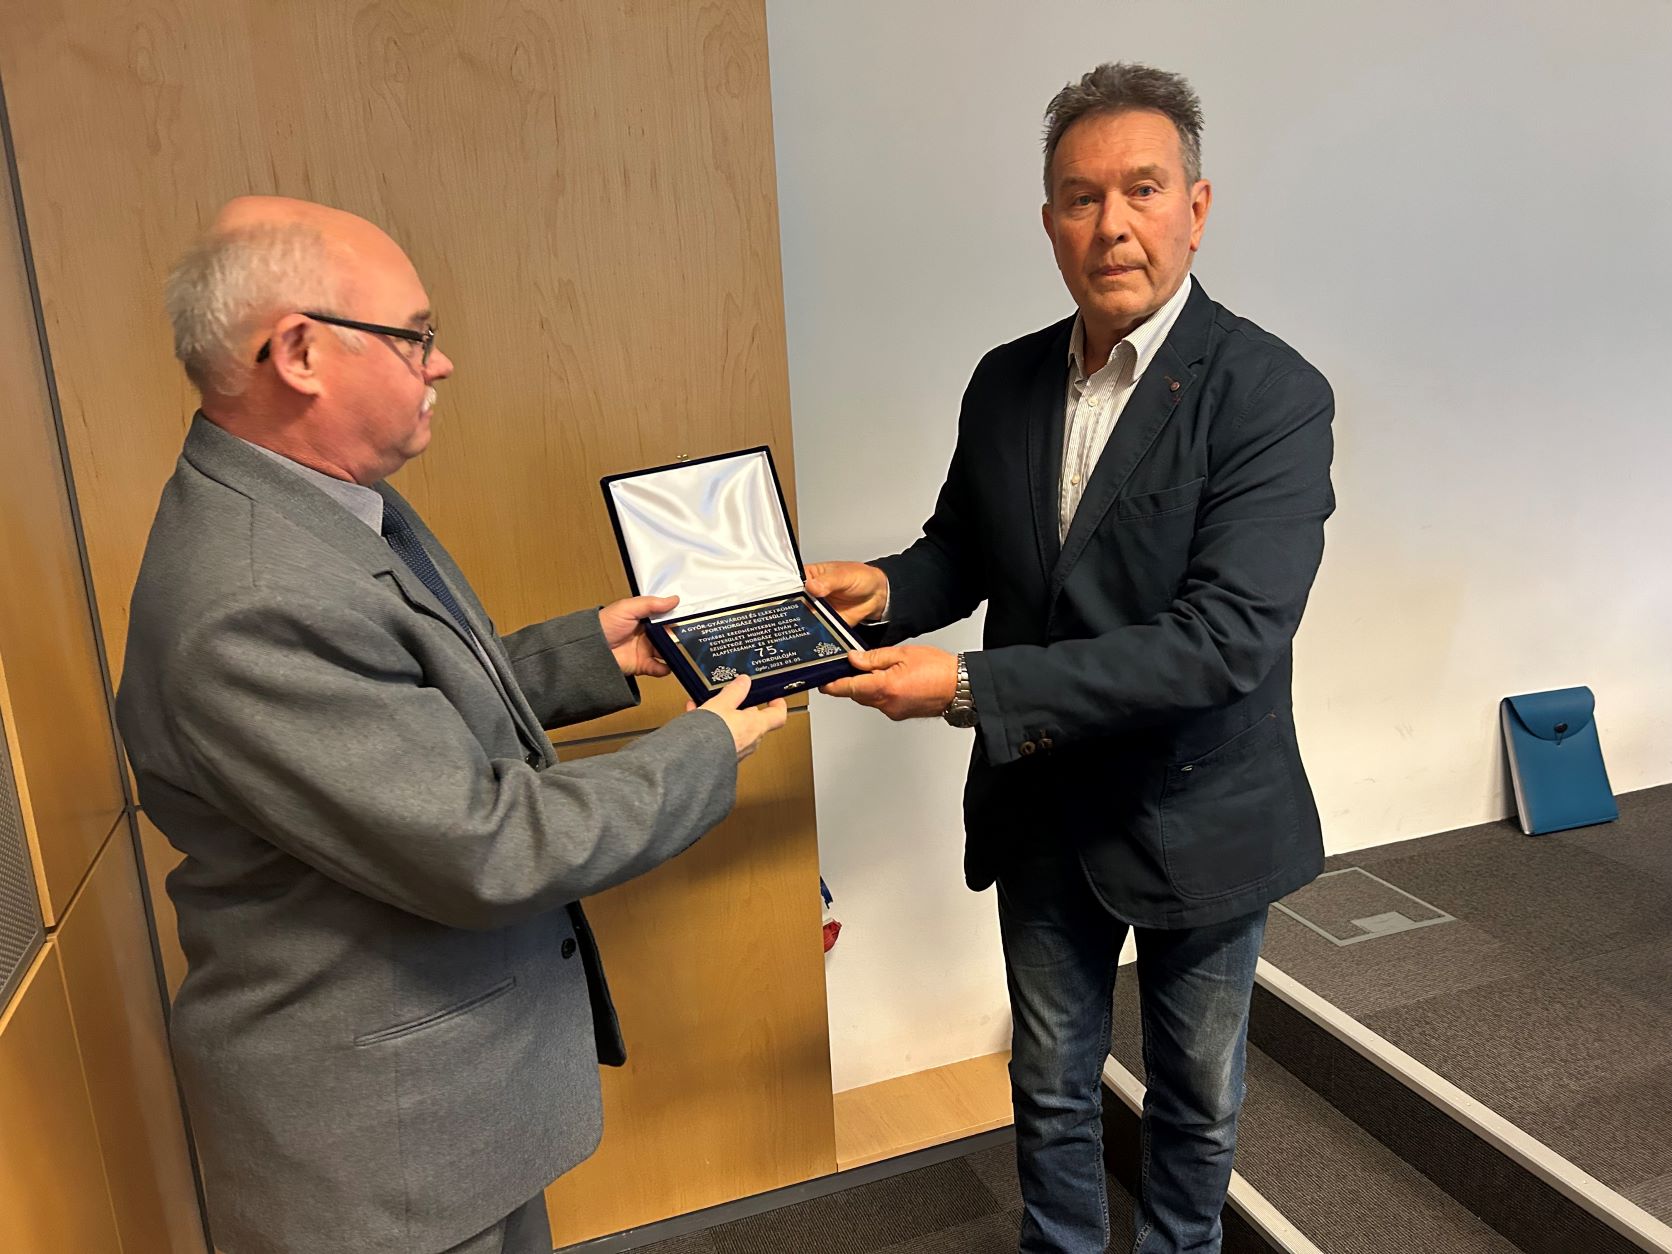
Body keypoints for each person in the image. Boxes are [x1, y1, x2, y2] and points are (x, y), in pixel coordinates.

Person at [116, 195, 786, 1254]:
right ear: (300, 353)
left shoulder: (313, 504)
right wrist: (710, 745)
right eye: (414, 336)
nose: (442, 363)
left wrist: (586, 655)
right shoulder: (250, 597)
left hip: (440, 1119)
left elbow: (394, 711)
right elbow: (489, 848)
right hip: (383, 1157)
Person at [808, 64, 1334, 1254]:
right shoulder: (1005, 380)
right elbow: (965, 551)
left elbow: (1223, 642)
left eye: (1141, 189)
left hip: (1198, 813)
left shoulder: (1270, 396)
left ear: (1196, 206)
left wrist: (969, 688)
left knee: (1194, 1101)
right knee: (1050, 1087)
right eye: (1080, 197)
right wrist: (882, 591)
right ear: (1047, 219)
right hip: (1043, 806)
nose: (1111, 225)